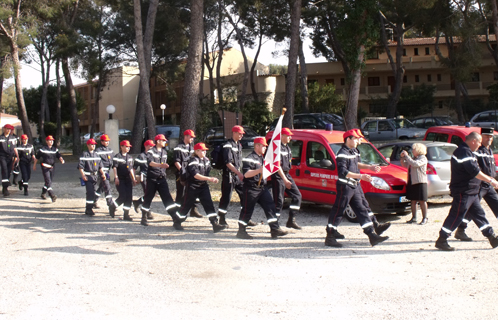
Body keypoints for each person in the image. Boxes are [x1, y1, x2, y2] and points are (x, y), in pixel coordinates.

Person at [325, 129, 389, 248]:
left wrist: (370, 167)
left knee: (362, 209)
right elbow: (343, 172)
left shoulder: (354, 151)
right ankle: (330, 236)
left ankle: (371, 235)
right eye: (355, 139)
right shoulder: (342, 153)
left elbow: (356, 164)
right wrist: (361, 176)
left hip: (354, 185)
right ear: (348, 139)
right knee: (339, 210)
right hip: (345, 186)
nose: (358, 141)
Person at [435, 131, 498, 251]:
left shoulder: (468, 151)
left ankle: (492, 237)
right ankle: (442, 239)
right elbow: (474, 171)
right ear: (473, 141)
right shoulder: (463, 152)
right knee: (456, 215)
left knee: (480, 215)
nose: (480, 145)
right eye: (479, 142)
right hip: (463, 191)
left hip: (471, 191)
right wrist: (491, 180)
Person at [236, 137, 288, 240]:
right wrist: (259, 170)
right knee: (247, 210)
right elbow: (246, 174)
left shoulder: (262, 158)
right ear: (257, 146)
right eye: (263, 146)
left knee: (270, 207)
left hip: (262, 188)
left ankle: (275, 229)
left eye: (265, 147)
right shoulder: (249, 158)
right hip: (251, 188)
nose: (265, 148)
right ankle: (241, 231)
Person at [175, 142, 226, 232]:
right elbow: (195, 175)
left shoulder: (206, 160)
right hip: (192, 186)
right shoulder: (192, 160)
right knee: (186, 205)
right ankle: (177, 221)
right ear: (197, 151)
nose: (204, 152)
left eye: (205, 150)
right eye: (202, 150)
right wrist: (209, 179)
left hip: (203, 186)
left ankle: (215, 223)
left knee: (209, 204)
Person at [140, 134, 183, 227]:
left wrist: (163, 167)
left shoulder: (164, 152)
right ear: (158, 141)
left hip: (162, 178)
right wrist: (161, 165)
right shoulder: (151, 151)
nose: (165, 142)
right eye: (163, 141)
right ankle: (143, 217)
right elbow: (150, 163)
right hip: (152, 178)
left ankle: (175, 218)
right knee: (148, 198)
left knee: (167, 198)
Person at [218, 125, 255, 228]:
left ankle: (245, 218)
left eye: (242, 134)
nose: (241, 135)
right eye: (240, 133)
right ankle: (221, 219)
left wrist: (241, 173)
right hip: (229, 176)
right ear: (234, 133)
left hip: (238, 176)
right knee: (226, 198)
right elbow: (228, 163)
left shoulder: (239, 145)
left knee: (244, 195)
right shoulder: (228, 145)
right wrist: (238, 173)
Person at [270, 127, 302, 229]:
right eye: (288, 135)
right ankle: (274, 226)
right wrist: (284, 179)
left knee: (297, 196)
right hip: (278, 176)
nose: (290, 137)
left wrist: (286, 178)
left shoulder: (287, 148)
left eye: (290, 136)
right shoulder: (277, 148)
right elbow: (277, 165)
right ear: (282, 136)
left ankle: (291, 220)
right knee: (279, 201)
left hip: (286, 175)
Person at [174, 129, 202, 218]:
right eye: (191, 137)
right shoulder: (178, 147)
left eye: (193, 138)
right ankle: (177, 212)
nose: (192, 139)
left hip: (191, 174)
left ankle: (194, 210)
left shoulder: (192, 148)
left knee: (194, 191)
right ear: (185, 136)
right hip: (182, 175)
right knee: (181, 193)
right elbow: (176, 162)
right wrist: (183, 172)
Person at [400, 143, 428, 225]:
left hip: (420, 182)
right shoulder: (413, 158)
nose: (412, 151)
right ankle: (414, 218)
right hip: (412, 182)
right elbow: (405, 165)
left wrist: (407, 156)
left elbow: (415, 164)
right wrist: (402, 157)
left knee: (422, 201)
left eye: (413, 149)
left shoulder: (423, 158)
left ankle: (425, 218)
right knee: (413, 200)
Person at [78, 138, 106, 216]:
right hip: (88, 176)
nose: (93, 146)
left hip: (95, 176)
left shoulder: (96, 155)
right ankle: (88, 209)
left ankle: (90, 206)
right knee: (90, 192)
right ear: (88, 145)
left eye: (94, 145)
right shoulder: (84, 154)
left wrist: (103, 174)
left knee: (93, 193)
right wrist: (83, 175)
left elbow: (100, 166)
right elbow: (81, 166)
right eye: (91, 144)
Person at [109, 140, 136, 221]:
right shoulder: (117, 157)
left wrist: (133, 178)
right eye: (126, 146)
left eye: (129, 147)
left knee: (129, 197)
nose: (128, 148)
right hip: (120, 179)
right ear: (121, 147)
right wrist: (116, 177)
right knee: (123, 196)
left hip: (128, 179)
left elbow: (131, 169)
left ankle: (126, 214)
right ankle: (112, 206)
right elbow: (114, 167)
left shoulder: (129, 158)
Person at [33, 135, 65, 202]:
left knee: (49, 181)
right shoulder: (43, 149)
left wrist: (61, 159)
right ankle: (52, 195)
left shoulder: (55, 149)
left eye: (52, 140)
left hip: (52, 167)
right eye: (50, 140)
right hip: (45, 166)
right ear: (46, 141)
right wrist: (34, 165)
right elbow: (37, 158)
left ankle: (43, 193)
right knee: (48, 181)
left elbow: (59, 155)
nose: (51, 142)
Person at [133, 139, 155, 216]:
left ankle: (137, 202)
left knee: (150, 194)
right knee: (148, 194)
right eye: (150, 146)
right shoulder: (141, 156)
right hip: (144, 177)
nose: (152, 147)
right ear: (146, 146)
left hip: (153, 177)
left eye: (153, 146)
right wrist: (133, 178)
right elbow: (134, 168)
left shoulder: (154, 155)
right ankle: (148, 212)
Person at [95, 134, 115, 213]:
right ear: (102, 142)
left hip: (108, 170)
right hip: (102, 171)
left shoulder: (110, 150)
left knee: (102, 187)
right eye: (105, 141)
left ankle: (93, 200)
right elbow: (98, 162)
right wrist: (102, 172)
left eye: (108, 141)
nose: (107, 142)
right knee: (107, 187)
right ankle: (111, 205)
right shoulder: (98, 151)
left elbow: (113, 159)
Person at [0, 124, 15, 196]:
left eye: (9, 129)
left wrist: (16, 156)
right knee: (4, 170)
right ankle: (5, 189)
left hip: (10, 157)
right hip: (2, 156)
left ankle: (4, 187)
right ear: (4, 129)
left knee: (8, 172)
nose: (8, 131)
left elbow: (14, 148)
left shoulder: (12, 138)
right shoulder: (0, 138)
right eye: (7, 129)